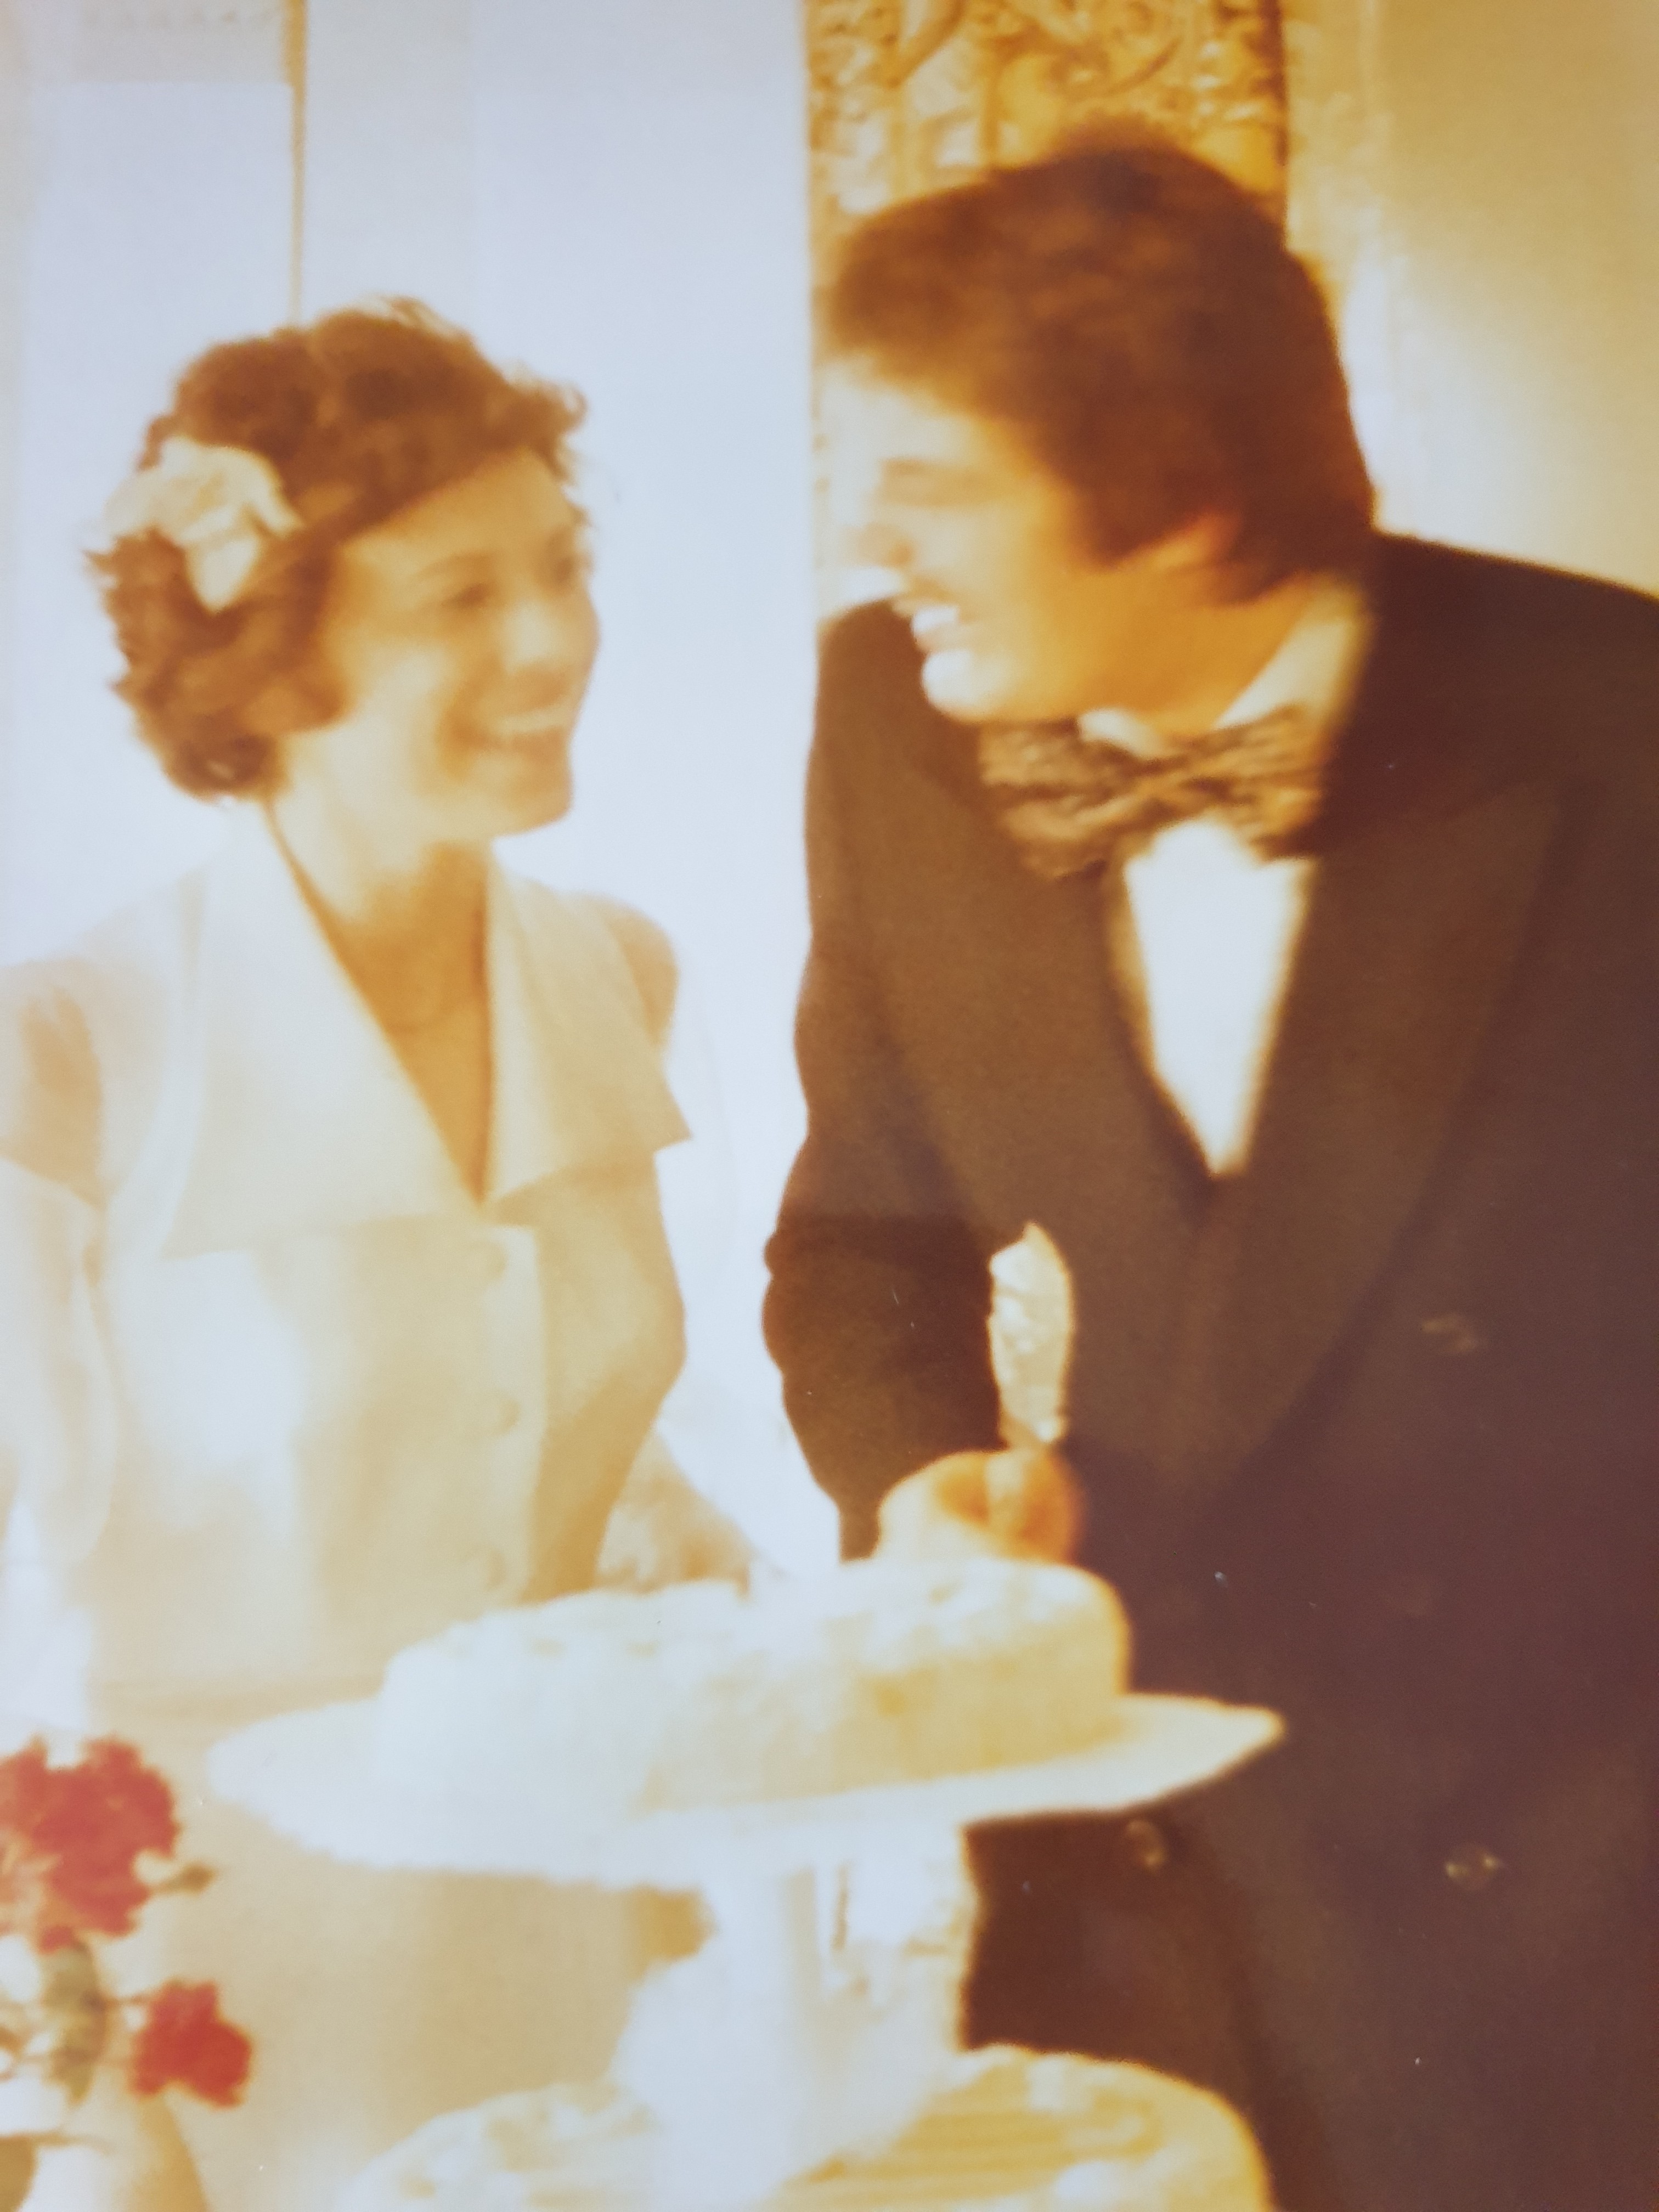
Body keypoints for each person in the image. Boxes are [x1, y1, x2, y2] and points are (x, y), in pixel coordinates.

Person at [764, 131, 1659, 2212]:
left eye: (934, 483)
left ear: (1181, 505)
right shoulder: (890, 718)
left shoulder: (1619, 727)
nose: (871, 537)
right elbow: (862, 1243)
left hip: (1565, 1911)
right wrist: (928, 1483)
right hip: (1129, 1910)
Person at [0, 303, 698, 2208]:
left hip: (588, 1960)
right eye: (460, 598)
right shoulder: (67, 1055)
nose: (552, 640)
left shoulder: (618, 973)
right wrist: (80, 2099)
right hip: (207, 2025)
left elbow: (586, 1461)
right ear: (274, 663)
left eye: (562, 568)